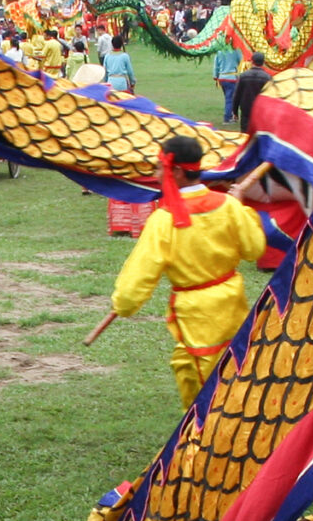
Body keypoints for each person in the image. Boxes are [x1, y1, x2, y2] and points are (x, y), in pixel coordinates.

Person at [109, 134, 264, 409]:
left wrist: (125, 303)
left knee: (204, 380)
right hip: (232, 301)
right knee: (233, 365)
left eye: (159, 167)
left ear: (177, 171)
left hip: (197, 313)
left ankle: (204, 439)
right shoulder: (228, 206)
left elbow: (141, 271)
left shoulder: (164, 220)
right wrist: (240, 206)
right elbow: (254, 248)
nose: (156, 174)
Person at [230, 53, 272, 132]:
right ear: (263, 63)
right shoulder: (267, 78)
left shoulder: (243, 76)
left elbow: (237, 95)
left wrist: (235, 111)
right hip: (261, 111)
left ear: (252, 62)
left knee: (245, 134)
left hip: (246, 110)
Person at [211, 35, 243, 122]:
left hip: (222, 78)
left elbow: (216, 66)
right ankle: (227, 118)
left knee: (228, 98)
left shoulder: (219, 52)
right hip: (232, 77)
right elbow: (241, 61)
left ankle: (233, 115)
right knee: (231, 99)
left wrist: (215, 76)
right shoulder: (236, 51)